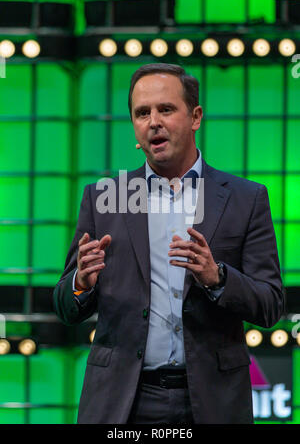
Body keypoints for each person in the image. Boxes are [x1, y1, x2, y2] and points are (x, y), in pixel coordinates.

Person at [53, 63, 284, 424]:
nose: (153, 122)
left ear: (195, 117)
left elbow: (270, 304)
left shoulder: (245, 198)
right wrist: (81, 283)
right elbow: (66, 307)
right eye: (142, 113)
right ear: (134, 126)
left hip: (211, 400)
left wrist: (217, 278)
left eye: (165, 109)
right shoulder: (105, 197)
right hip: (122, 402)